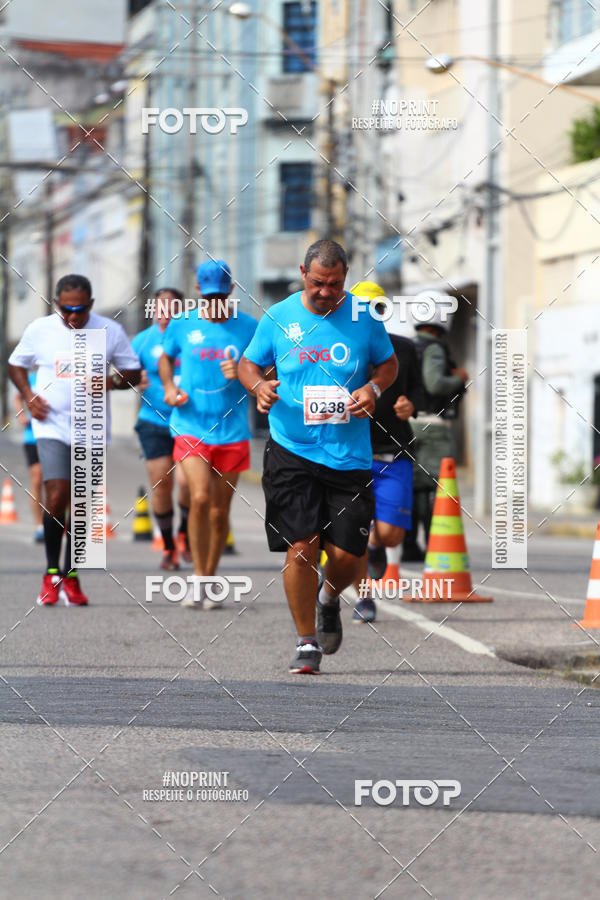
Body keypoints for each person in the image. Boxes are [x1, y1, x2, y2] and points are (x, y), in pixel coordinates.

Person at [238, 240, 398, 674]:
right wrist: (258, 386)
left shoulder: (364, 318)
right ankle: (306, 641)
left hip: (348, 456)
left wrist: (373, 389)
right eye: (317, 283)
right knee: (302, 549)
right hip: (291, 448)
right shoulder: (279, 315)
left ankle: (329, 598)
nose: (325, 292)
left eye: (334, 284)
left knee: (346, 557)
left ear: (345, 278)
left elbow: (388, 365)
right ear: (302, 273)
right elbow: (248, 364)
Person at [7, 274, 141, 606]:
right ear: (57, 304)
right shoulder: (40, 329)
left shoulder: (110, 331)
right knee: (56, 494)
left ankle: (71, 576)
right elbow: (15, 364)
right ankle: (51, 573)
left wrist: (110, 382)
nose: (72, 316)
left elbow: (133, 372)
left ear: (91, 304)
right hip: (50, 425)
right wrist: (28, 395)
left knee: (83, 505)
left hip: (91, 427)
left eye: (80, 309)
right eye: (66, 309)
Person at [159, 259, 257, 608]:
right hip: (190, 425)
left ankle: (209, 577)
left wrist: (242, 370)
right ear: (198, 290)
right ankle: (198, 577)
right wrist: (169, 388)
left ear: (231, 290)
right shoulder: (182, 324)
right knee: (199, 497)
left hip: (232, 430)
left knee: (219, 510)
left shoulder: (249, 327)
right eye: (208, 295)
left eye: (221, 295)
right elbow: (165, 358)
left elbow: (268, 370)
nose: (215, 301)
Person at [348, 282, 423, 624]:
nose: (369, 316)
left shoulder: (404, 349)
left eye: (376, 309)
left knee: (391, 534)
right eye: (361, 310)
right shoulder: (338, 350)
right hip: (350, 455)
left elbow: (420, 391)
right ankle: (365, 598)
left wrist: (412, 404)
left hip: (394, 453)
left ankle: (376, 547)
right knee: (354, 532)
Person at [404, 290, 468, 558]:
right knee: (434, 487)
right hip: (432, 425)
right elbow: (435, 384)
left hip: (409, 424)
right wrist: (459, 378)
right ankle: (435, 544)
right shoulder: (434, 348)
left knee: (414, 486)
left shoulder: (408, 345)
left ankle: (409, 545)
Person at [132, 287, 191, 571]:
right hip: (153, 421)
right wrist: (133, 379)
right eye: (160, 307)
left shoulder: (192, 336)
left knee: (188, 483)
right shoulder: (143, 341)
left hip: (190, 421)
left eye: (172, 307)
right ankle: (168, 547)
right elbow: (123, 373)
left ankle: (185, 532)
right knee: (161, 484)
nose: (165, 312)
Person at [14, 371, 44, 542]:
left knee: (57, 482)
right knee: (37, 479)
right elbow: (17, 397)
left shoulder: (60, 377)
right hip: (32, 437)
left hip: (56, 436)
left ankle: (59, 522)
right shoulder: (31, 379)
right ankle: (40, 525)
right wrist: (21, 415)